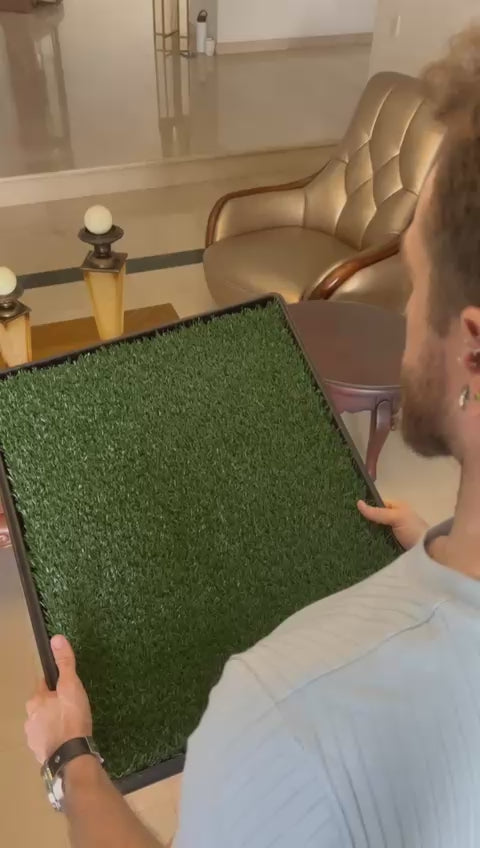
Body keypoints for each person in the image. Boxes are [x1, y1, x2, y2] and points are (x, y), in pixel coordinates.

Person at [24, 25, 480, 847]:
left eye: (416, 280)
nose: (407, 310)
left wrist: (72, 761)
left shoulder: (279, 712)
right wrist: (438, 551)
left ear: (472, 348)